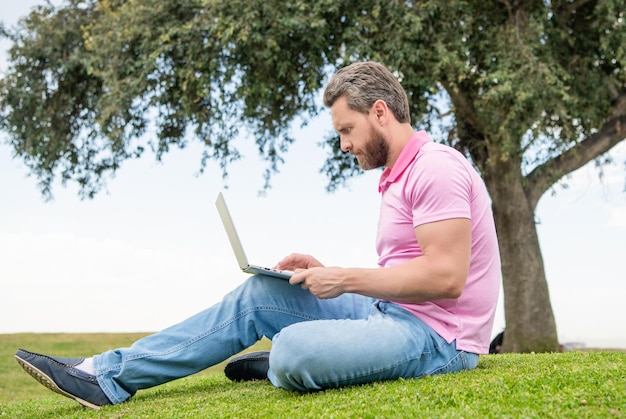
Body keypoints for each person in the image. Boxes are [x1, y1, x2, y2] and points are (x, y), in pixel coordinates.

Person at [15, 61, 501, 410]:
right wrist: (324, 271)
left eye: (347, 130)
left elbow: (445, 277)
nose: (345, 145)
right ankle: (106, 375)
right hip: (391, 314)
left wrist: (345, 279)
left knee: (291, 352)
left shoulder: (435, 168)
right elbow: (408, 268)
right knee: (260, 293)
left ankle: (283, 362)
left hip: (440, 340)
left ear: (379, 113)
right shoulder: (397, 175)